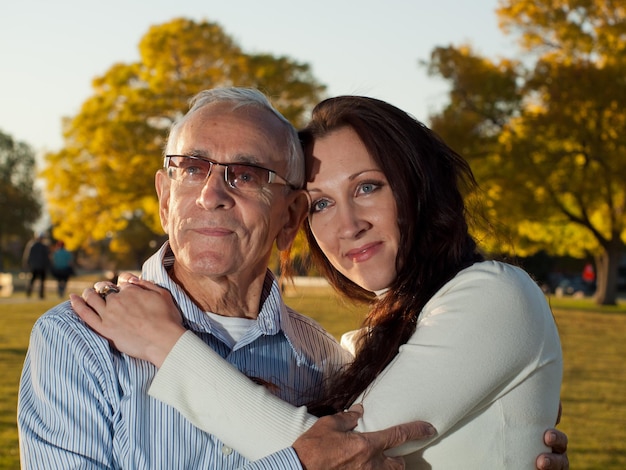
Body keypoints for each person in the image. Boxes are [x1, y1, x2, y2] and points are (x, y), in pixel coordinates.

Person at [72, 94, 568, 469]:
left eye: (368, 187)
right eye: (322, 204)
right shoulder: (353, 351)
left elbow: (337, 454)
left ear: (418, 187)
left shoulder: (496, 295)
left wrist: (164, 342)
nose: (347, 225)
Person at [18, 88, 434, 469]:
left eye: (247, 175)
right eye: (193, 169)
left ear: (290, 218)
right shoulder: (77, 341)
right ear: (166, 199)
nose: (211, 194)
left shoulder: (325, 364)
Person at [22, 233, 50, 299]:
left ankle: (30, 293)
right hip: (40, 266)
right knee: (40, 281)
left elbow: (27, 255)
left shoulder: (32, 245)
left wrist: (26, 263)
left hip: (35, 266)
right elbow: (46, 257)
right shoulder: (43, 246)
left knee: (33, 280)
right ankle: (40, 294)